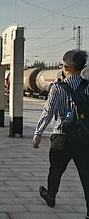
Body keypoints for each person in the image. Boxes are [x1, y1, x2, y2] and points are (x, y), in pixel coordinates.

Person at [32, 50, 89, 219]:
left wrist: (38, 133)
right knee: (86, 176)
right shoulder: (88, 87)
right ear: (82, 67)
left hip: (61, 137)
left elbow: (48, 112)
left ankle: (51, 196)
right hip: (84, 138)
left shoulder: (57, 87)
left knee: (55, 169)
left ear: (65, 67)